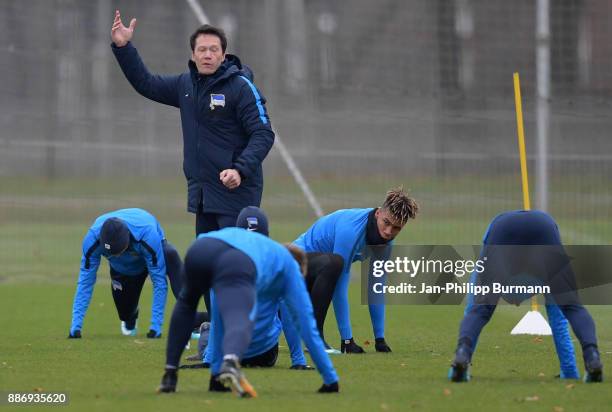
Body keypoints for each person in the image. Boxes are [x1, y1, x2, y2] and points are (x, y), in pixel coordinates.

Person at [110, 11, 275, 236]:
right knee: (206, 265)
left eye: (213, 50)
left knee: (238, 264)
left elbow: (263, 133)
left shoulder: (241, 87)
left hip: (237, 195)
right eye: (202, 49)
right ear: (193, 54)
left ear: (224, 55)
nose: (207, 55)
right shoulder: (185, 85)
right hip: (203, 197)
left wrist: (240, 170)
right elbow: (146, 84)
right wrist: (123, 48)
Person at [158, 224, 339, 397]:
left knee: (187, 304)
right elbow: (305, 323)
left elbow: (218, 313)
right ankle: (230, 362)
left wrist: (214, 375)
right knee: (241, 313)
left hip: (201, 247)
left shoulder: (264, 250)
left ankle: (170, 374)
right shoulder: (289, 267)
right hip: (235, 258)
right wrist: (330, 379)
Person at [449, 210, 603, 383]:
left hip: (502, 229)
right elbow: (558, 320)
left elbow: (474, 308)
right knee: (572, 308)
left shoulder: (495, 230)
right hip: (545, 227)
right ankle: (592, 357)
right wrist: (569, 372)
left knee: (480, 310)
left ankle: (462, 356)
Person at [184, 206, 314, 369]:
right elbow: (289, 315)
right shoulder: (276, 263)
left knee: (218, 327)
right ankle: (206, 335)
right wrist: (298, 361)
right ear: (266, 234)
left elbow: (218, 315)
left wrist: (209, 360)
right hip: (264, 355)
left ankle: (206, 334)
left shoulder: (223, 263)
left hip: (233, 351)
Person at [293, 188, 419, 353]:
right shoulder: (351, 231)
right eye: (386, 223)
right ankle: (314, 340)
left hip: (321, 268)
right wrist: (347, 340)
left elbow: (376, 287)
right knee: (335, 269)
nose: (388, 232)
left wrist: (379, 339)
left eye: (396, 228)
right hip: (296, 262)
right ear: (378, 213)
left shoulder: (386, 243)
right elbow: (339, 283)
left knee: (281, 318)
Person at [68, 208, 182, 339]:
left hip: (151, 255)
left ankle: (193, 319)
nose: (116, 255)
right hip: (122, 271)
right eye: (113, 253)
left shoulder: (147, 235)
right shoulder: (92, 239)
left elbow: (159, 282)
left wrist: (155, 328)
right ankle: (130, 318)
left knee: (170, 253)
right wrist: (75, 327)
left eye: (119, 250)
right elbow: (85, 281)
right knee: (125, 314)